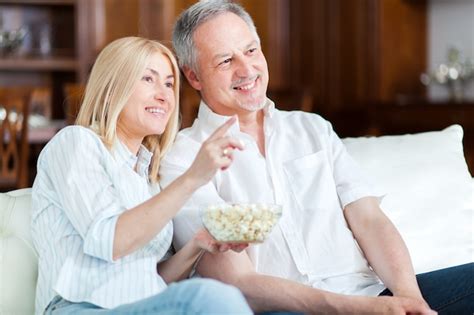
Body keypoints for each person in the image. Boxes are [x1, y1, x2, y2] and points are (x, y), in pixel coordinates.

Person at [159, 1, 474, 314]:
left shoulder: (312, 128)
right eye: (226, 60)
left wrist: (409, 301)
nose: (247, 69)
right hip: (284, 310)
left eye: (251, 50)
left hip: (372, 295)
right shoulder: (185, 158)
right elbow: (238, 281)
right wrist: (356, 309)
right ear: (195, 77)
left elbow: (370, 220)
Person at [31, 36, 252, 315]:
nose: (164, 94)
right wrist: (192, 177)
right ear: (111, 90)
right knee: (207, 297)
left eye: (170, 83)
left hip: (135, 307)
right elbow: (110, 241)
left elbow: (149, 281)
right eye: (148, 79)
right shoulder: (76, 143)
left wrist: (200, 243)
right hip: (77, 308)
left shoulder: (147, 177)